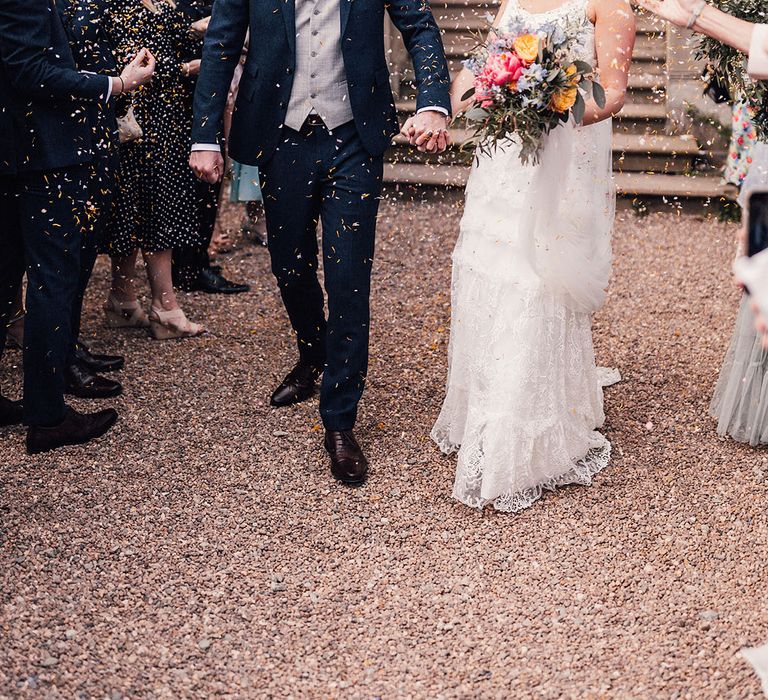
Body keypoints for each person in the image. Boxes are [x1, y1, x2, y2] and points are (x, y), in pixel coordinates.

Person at [190, 0, 452, 484]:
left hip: (354, 135)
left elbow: (419, 26)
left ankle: (339, 420)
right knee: (289, 266)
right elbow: (221, 42)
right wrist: (205, 135)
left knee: (349, 278)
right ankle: (314, 351)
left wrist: (433, 102)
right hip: (280, 136)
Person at [431, 0, 635, 512]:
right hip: (500, 165)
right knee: (489, 267)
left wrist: (548, 113)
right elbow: (481, 69)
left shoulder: (609, 5)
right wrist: (456, 103)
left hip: (558, 166)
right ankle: (484, 406)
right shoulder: (512, 1)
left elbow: (611, 94)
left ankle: (521, 438)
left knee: (532, 279)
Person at [0, 0, 154, 452]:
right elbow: (31, 70)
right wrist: (118, 82)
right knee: (52, 280)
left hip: (16, 155)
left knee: (6, 276)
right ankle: (47, 418)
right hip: (40, 155)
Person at [102, 0, 210, 339]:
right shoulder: (117, 5)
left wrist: (195, 29)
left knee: (136, 210)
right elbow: (134, 65)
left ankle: (122, 299)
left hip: (165, 122)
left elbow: (168, 38)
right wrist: (187, 69)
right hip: (144, 127)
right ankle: (165, 308)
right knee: (153, 210)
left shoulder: (162, 2)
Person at [58, 0, 129, 400]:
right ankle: (60, 360)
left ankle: (69, 345)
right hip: (68, 138)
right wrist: (118, 82)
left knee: (84, 252)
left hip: (100, 134)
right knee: (66, 254)